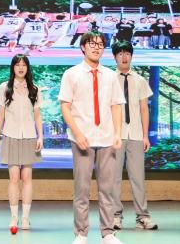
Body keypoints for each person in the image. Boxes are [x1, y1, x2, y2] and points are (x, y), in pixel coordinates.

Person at [58, 31, 125, 244]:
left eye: (100, 44)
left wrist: (117, 133)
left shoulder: (111, 75)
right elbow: (65, 107)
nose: (97, 47)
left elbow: (116, 105)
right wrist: (78, 134)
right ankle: (81, 233)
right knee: (82, 189)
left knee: (107, 189)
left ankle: (108, 233)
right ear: (83, 47)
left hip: (107, 138)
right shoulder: (71, 74)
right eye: (92, 44)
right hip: (82, 139)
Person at [0, 55, 43, 233]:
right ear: (13, 67)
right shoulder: (4, 87)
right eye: (17, 65)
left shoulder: (34, 89)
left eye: (24, 65)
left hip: (29, 136)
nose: (21, 68)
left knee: (27, 178)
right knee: (14, 178)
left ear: (27, 68)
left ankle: (26, 217)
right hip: (10, 135)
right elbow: (0, 114)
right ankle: (14, 217)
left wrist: (40, 137)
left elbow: (37, 115)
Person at [111, 42, 158, 230]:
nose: (124, 57)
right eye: (120, 54)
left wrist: (146, 136)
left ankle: (142, 217)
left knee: (138, 177)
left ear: (131, 56)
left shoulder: (140, 80)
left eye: (127, 53)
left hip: (136, 135)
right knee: (113, 178)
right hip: (115, 135)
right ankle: (115, 216)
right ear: (115, 56)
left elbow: (144, 109)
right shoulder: (109, 79)